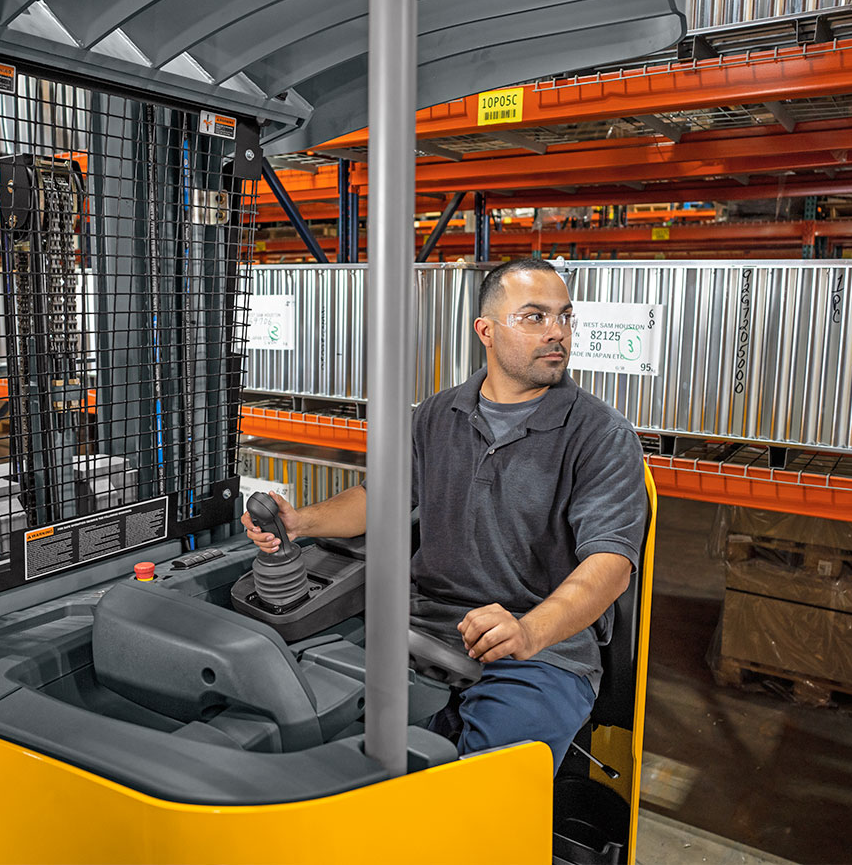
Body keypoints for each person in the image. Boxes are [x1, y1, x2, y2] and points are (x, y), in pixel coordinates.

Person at [242, 257, 648, 771]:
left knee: (483, 788)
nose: (557, 333)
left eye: (565, 318)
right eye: (535, 317)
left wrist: (528, 631)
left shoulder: (601, 435)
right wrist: (301, 522)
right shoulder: (437, 415)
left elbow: (609, 566)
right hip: (425, 625)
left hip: (541, 649)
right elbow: (378, 499)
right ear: (486, 330)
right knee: (309, 729)